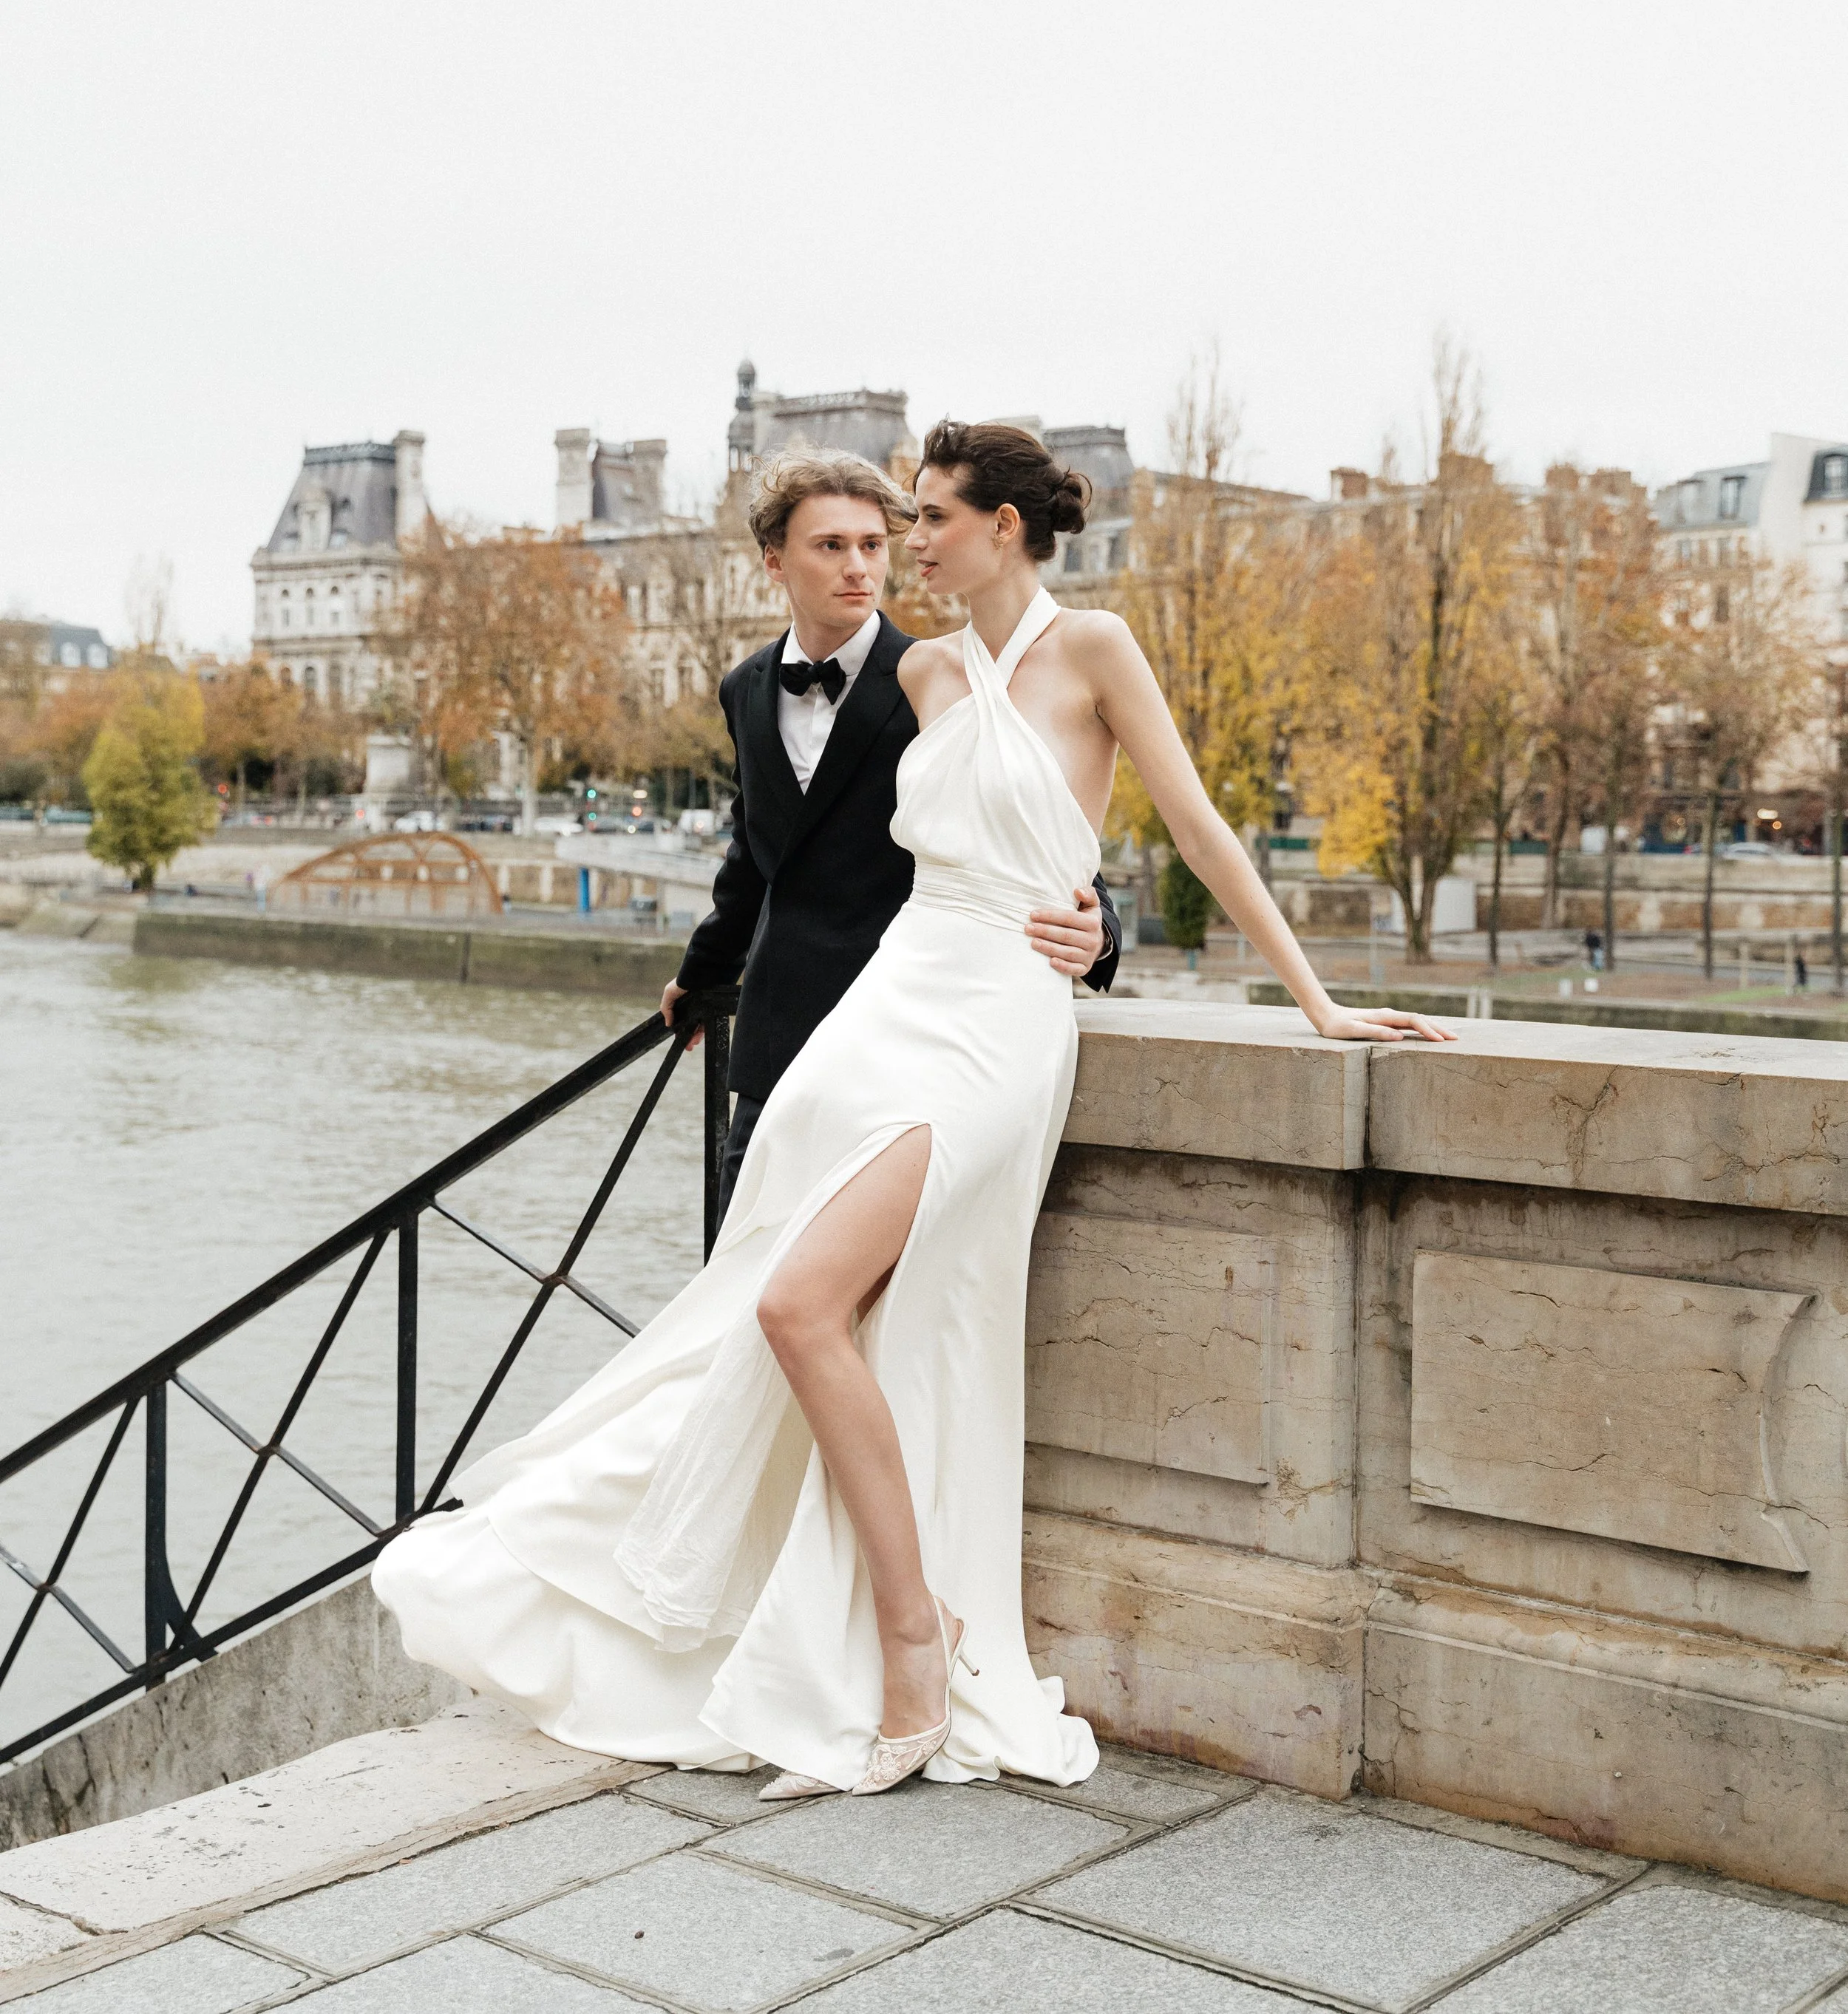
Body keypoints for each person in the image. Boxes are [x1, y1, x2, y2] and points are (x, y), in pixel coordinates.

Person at [372, 421, 1452, 1804]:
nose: (904, 543)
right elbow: (789, 863)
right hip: (876, 1013)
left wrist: (1308, 1000)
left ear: (1003, 529)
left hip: (996, 1019)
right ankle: (853, 1627)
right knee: (767, 1298)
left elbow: (1189, 825)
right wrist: (708, 984)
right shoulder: (930, 674)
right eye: (882, 527)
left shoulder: (1098, 649)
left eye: (928, 519)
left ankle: (914, 1649)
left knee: (798, 1306)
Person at [662, 448, 1120, 1225]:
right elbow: (754, 852)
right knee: (732, 1287)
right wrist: (699, 974)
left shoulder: (936, 675)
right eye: (830, 546)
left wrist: (1098, 928)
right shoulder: (744, 685)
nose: (858, 568)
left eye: (872, 546)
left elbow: (1023, 822)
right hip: (776, 1043)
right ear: (774, 560)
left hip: (899, 1038)